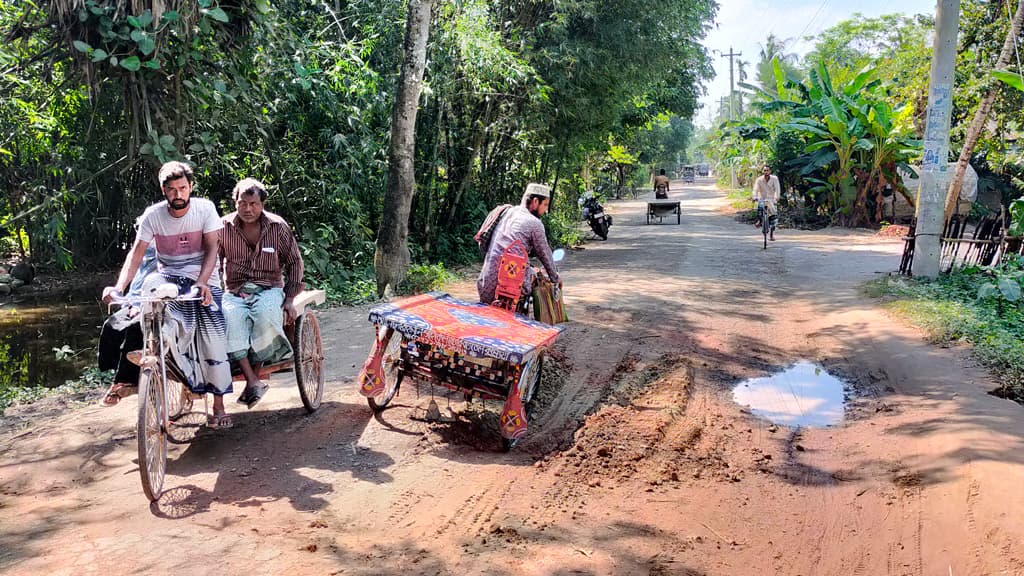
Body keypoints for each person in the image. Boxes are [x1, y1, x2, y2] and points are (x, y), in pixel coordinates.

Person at [102, 161, 234, 428]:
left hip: (204, 278)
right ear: (163, 190)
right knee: (151, 300)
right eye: (172, 189)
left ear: (191, 187)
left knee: (213, 335)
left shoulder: (204, 208)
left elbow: (212, 249)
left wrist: (202, 282)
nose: (178, 194)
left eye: (183, 188)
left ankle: (218, 406)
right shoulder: (153, 216)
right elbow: (136, 254)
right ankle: (154, 352)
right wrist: (119, 288)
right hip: (169, 277)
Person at [219, 178, 305, 408]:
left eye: (253, 204)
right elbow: (212, 262)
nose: (248, 209)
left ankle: (253, 379)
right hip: (235, 291)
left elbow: (295, 262)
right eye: (242, 203)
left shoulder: (277, 226)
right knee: (229, 320)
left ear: (262, 204)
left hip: (269, 288)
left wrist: (289, 299)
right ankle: (253, 380)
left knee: (266, 316)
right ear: (235, 203)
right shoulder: (222, 228)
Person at [477, 183, 562, 306]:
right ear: (535, 201)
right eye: (545, 205)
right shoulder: (534, 223)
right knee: (538, 276)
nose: (546, 210)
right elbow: (545, 254)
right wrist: (555, 278)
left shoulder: (507, 212)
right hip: (509, 289)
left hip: (485, 283)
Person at [97, 246, 157, 406]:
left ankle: (125, 380)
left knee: (136, 327)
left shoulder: (175, 245)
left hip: (162, 300)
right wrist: (120, 291)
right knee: (111, 325)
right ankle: (118, 374)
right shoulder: (144, 251)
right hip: (138, 301)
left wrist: (140, 305)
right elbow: (134, 274)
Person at [752, 164, 781, 241]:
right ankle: (760, 220)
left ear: (770, 171)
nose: (766, 172)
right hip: (762, 199)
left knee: (774, 217)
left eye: (767, 170)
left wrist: (777, 197)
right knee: (759, 208)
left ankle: (771, 234)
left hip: (772, 199)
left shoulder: (774, 179)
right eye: (764, 170)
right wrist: (754, 196)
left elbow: (777, 189)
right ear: (762, 171)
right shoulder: (759, 180)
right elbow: (755, 189)